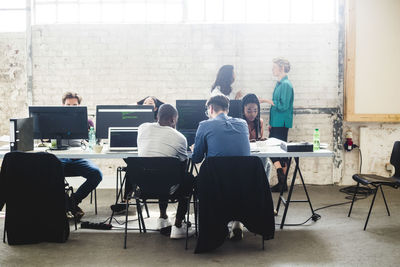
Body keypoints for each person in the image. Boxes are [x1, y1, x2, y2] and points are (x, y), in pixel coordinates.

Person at [191, 95, 250, 240]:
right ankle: (237, 223)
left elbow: (197, 158)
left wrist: (194, 149)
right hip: (242, 184)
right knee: (233, 179)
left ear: (210, 108)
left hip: (215, 186)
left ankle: (216, 226)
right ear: (227, 109)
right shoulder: (243, 124)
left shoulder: (205, 125)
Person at [137, 104, 195, 239]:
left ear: (157, 116)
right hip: (167, 186)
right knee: (187, 178)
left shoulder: (142, 128)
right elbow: (182, 165)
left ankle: (162, 219)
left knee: (160, 172)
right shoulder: (180, 138)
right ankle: (178, 226)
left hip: (144, 187)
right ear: (174, 120)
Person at [60, 92, 103, 220]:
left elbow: (94, 141)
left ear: (80, 106)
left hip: (79, 158)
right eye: (68, 105)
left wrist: (94, 139)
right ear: (63, 105)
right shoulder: (55, 119)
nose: (71, 108)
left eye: (75, 105)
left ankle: (72, 202)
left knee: (97, 174)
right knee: (52, 173)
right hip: (59, 157)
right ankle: (66, 205)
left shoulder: (87, 121)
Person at [259, 58, 294, 192]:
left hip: (282, 122)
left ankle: (280, 174)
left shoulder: (285, 85)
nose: (272, 70)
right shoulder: (280, 84)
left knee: (273, 150)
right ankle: (282, 183)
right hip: (277, 122)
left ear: (282, 68)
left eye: (274, 67)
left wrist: (265, 100)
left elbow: (282, 106)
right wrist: (272, 123)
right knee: (279, 152)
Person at [242, 93, 271, 182]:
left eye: (255, 110)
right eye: (249, 111)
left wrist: (261, 140)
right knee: (265, 161)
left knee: (267, 163)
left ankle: (262, 188)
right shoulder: (240, 123)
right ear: (243, 110)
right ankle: (260, 186)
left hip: (255, 154)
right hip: (244, 155)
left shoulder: (259, 122)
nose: (252, 114)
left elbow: (258, 139)